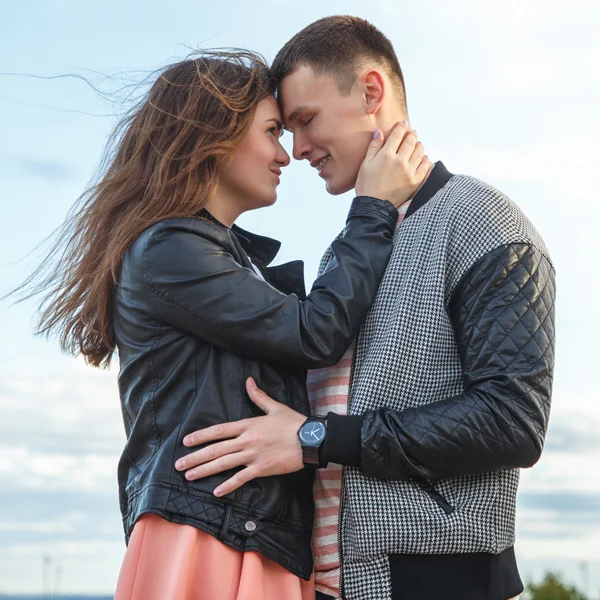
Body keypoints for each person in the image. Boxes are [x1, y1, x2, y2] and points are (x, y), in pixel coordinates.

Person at [17, 50, 430, 599]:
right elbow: (316, 332)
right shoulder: (170, 249)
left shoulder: (216, 256)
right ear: (214, 136)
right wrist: (373, 208)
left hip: (244, 534)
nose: (286, 154)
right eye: (272, 131)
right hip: (210, 537)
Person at [177, 17, 557, 600]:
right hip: (334, 585)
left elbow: (513, 420)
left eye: (305, 121)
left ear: (371, 93)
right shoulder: (350, 248)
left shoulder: (486, 225)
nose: (297, 149)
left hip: (436, 584)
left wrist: (314, 438)